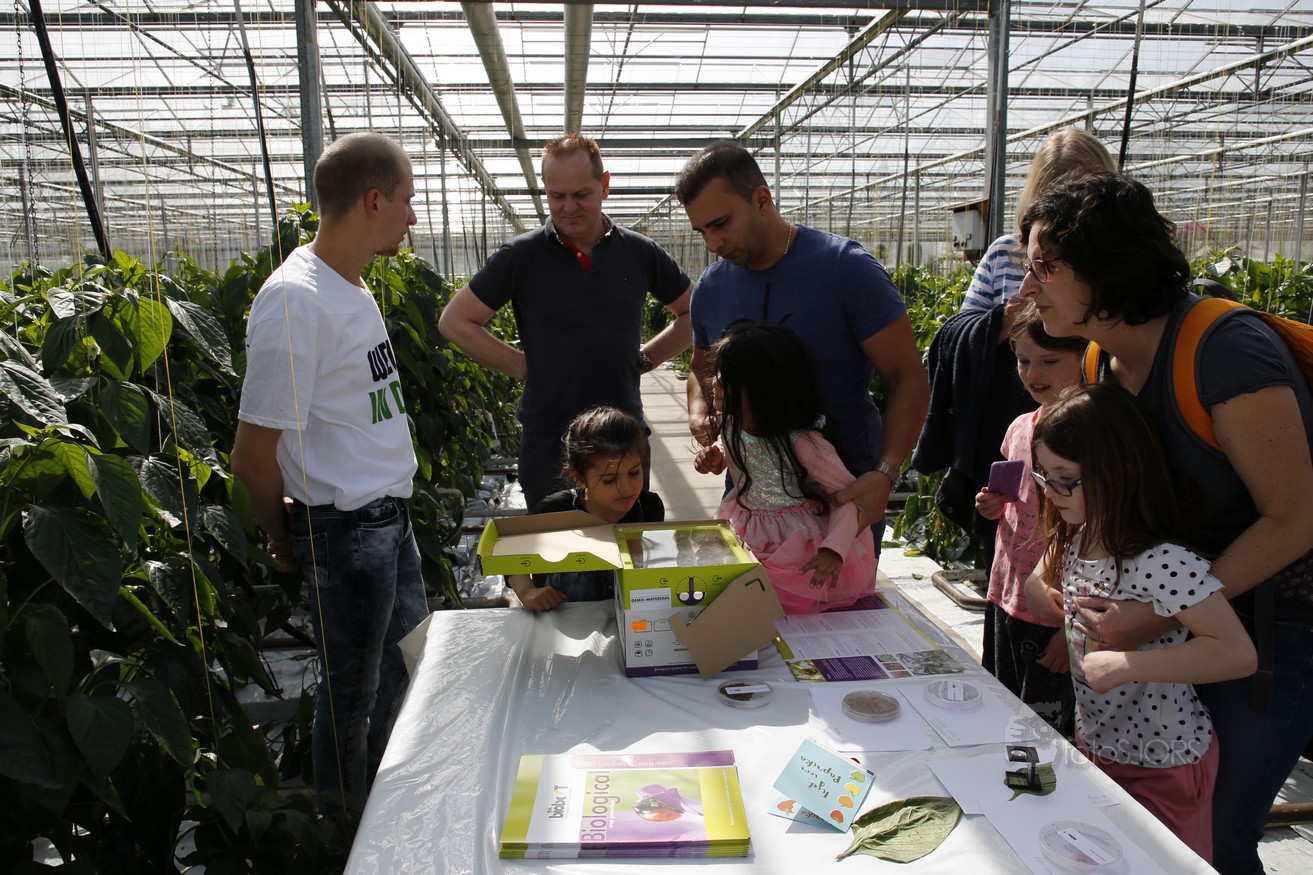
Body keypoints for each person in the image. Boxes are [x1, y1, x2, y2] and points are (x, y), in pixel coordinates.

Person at [1019, 172, 1313, 875]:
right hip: (1177, 617)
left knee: (1215, 837)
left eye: (1044, 267)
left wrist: (1156, 612)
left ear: (1104, 266)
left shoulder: (1224, 351)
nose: (1028, 288)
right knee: (1152, 830)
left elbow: (1295, 518)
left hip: (1270, 628)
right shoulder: (1102, 358)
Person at [230, 133, 429, 817]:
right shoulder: (296, 301)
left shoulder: (351, 285)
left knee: (406, 668)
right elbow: (253, 453)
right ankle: (344, 834)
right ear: (373, 201)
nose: (412, 216)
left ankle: (382, 812)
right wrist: (280, 535)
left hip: (386, 519)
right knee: (351, 695)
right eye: (405, 200)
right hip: (346, 531)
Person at [1024, 384, 1257, 860]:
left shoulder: (1161, 560)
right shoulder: (1078, 534)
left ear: (1120, 473)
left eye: (1065, 479)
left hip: (1164, 764)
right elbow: (1042, 578)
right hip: (1098, 746)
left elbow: (1236, 653)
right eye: (1043, 475)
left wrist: (1127, 664)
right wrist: (1038, 594)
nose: (1050, 491)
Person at [675, 141, 929, 537]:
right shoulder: (712, 288)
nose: (713, 244)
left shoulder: (846, 270)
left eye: (721, 223)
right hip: (752, 503)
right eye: (702, 230)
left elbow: (907, 377)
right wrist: (698, 410)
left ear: (762, 200)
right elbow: (700, 368)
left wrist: (885, 473)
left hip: (844, 499)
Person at [438, 133, 694, 509]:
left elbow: (694, 311)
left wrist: (645, 358)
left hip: (623, 440)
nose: (568, 207)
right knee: (555, 541)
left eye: (581, 194)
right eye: (557, 196)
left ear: (604, 186)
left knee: (623, 540)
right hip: (551, 441)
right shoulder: (521, 256)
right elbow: (455, 321)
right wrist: (525, 367)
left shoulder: (640, 252)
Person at [693, 323, 876, 614]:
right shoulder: (731, 422)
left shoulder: (804, 443)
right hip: (746, 525)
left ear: (764, 387)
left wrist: (833, 549)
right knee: (748, 600)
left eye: (727, 377)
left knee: (785, 607)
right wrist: (716, 457)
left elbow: (848, 497)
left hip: (796, 545)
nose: (715, 382)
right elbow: (730, 446)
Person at [973, 303, 1085, 734]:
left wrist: (1070, 631)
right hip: (1006, 594)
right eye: (1023, 360)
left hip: (1052, 613)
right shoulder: (1020, 426)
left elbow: (1096, 537)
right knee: (1001, 704)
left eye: (1049, 361)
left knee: (1042, 729)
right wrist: (993, 505)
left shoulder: (1089, 435)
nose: (1033, 373)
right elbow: (1013, 500)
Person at [507, 406, 664, 611]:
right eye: (609, 480)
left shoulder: (650, 507)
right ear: (579, 477)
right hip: (562, 622)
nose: (626, 487)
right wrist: (527, 591)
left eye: (634, 473)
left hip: (627, 619)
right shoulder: (555, 510)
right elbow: (508, 553)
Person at [959, 126, 1115, 313]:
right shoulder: (1006, 253)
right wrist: (1005, 322)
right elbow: (961, 325)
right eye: (1050, 207)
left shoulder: (1119, 265)